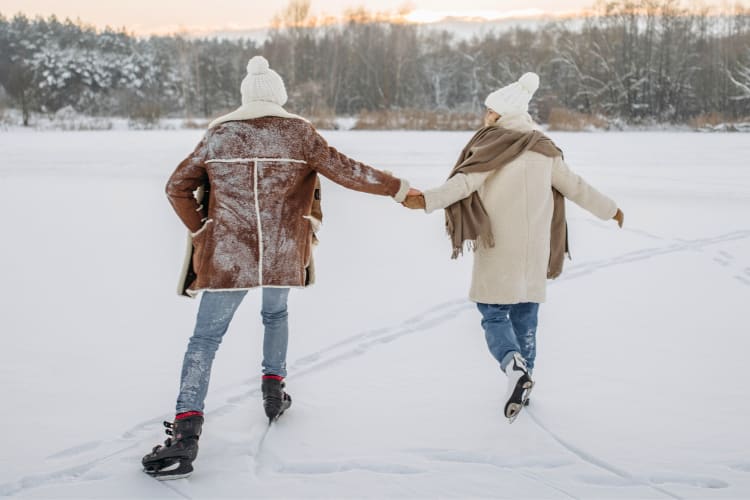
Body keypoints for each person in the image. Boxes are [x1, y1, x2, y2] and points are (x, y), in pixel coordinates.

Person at [142, 56, 417, 480]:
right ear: (279, 97)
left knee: (204, 340)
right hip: (282, 251)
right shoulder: (299, 134)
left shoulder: (220, 135)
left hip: (228, 255)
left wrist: (204, 230)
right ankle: (274, 390)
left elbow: (176, 186)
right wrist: (398, 188)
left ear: (245, 98)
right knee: (275, 314)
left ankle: (185, 432)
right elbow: (350, 172)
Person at [402, 72, 624, 423]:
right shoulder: (544, 150)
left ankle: (512, 365)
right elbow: (576, 187)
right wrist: (610, 209)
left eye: (488, 110)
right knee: (526, 318)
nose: (484, 115)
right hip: (535, 250)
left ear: (500, 114)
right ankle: (524, 382)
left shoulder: (492, 147)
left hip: (498, 246)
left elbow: (462, 184)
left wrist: (426, 199)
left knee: (492, 312)